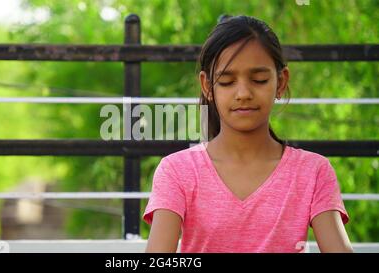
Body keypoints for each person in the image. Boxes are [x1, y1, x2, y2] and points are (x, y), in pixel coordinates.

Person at [142, 15, 353, 253]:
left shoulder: (313, 172)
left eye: (259, 80)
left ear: (281, 82)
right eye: (227, 81)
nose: (243, 93)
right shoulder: (177, 171)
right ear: (207, 86)